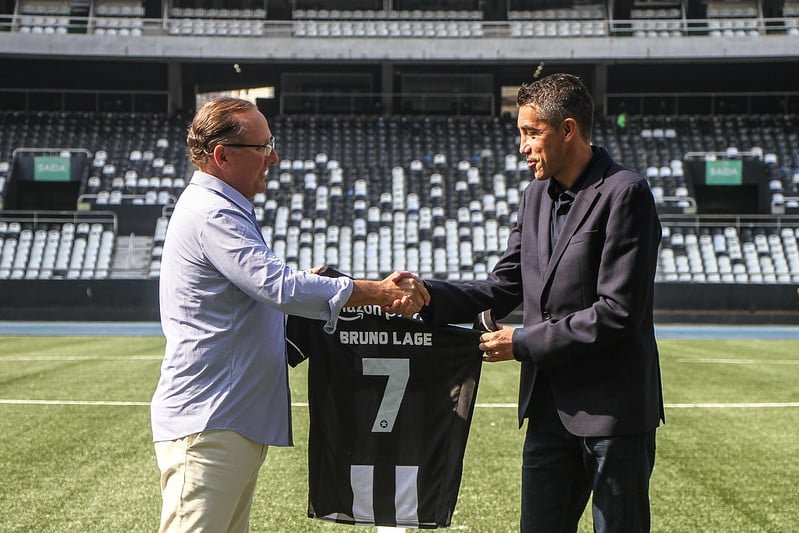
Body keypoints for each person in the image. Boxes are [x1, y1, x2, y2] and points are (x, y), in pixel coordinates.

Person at [150, 97, 429, 533]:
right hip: (208, 425)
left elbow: (265, 288)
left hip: (225, 421)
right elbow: (277, 286)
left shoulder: (221, 207)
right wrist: (373, 292)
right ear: (222, 156)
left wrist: (311, 284)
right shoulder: (213, 211)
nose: (274, 157)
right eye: (262, 147)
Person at [419, 73, 663, 532]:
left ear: (567, 130)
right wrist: (425, 295)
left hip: (613, 413)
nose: (522, 147)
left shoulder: (625, 193)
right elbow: (502, 286)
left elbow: (618, 312)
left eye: (532, 132)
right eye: (521, 133)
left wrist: (524, 342)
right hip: (548, 410)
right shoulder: (533, 197)